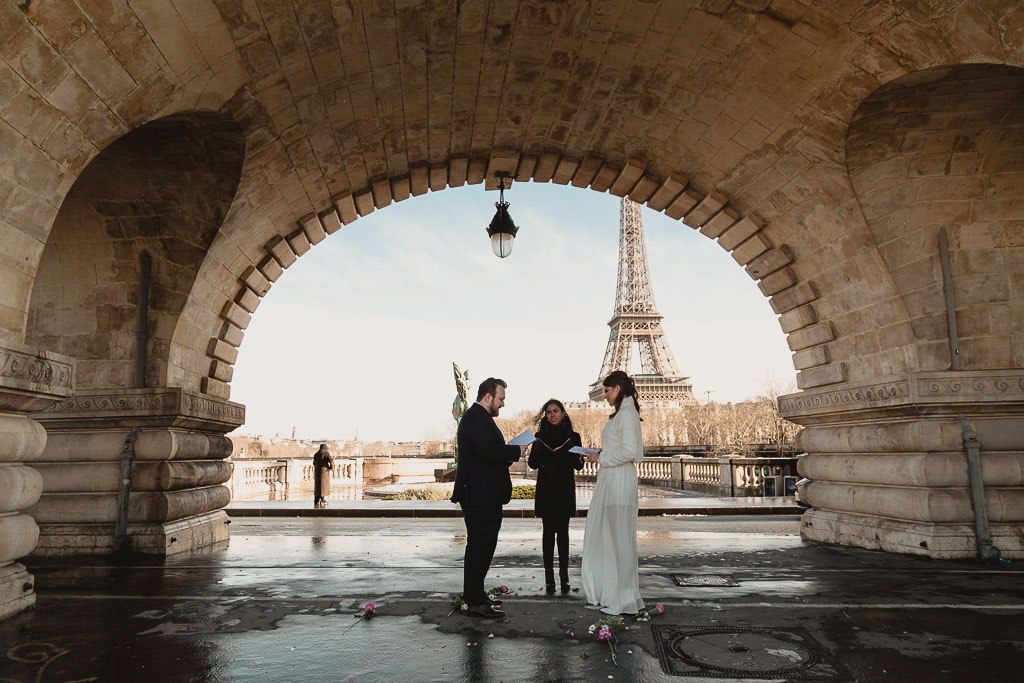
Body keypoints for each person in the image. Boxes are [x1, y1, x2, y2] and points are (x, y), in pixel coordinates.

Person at [450, 377, 527, 619]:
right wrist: (516, 450)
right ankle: (474, 602)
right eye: (501, 398)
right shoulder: (476, 418)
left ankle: (477, 596)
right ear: (488, 396)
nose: (502, 404)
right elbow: (488, 451)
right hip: (480, 495)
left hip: (482, 493)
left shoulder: (477, 418)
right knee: (480, 547)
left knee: (482, 546)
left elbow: (486, 455)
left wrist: (510, 452)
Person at [581, 370, 646, 615]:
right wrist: (600, 453)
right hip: (613, 478)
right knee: (614, 540)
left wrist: (601, 456)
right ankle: (618, 596)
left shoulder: (627, 414)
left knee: (619, 541)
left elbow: (631, 452)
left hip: (618, 481)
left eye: (607, 391)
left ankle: (625, 599)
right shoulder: (624, 414)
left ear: (618, 388)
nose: (605, 396)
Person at [528, 399, 583, 594]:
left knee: (564, 533)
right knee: (548, 533)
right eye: (549, 412)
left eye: (556, 411)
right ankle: (549, 575)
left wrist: (579, 456)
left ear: (562, 413)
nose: (552, 415)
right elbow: (532, 465)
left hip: (564, 489)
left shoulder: (574, 437)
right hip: (546, 490)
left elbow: (579, 466)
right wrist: (533, 450)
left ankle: (564, 574)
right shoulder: (538, 437)